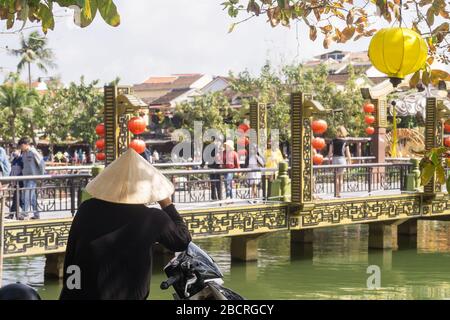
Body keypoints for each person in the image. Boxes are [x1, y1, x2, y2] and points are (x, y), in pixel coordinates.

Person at [59, 149, 191, 300]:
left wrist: (69, 292)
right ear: (146, 189)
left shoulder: (87, 208)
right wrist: (167, 204)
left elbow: (71, 256)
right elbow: (182, 241)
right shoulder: (152, 218)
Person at [18, 137, 45, 220]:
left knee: (27, 195)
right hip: (25, 177)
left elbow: (42, 164)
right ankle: (36, 214)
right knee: (32, 197)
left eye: (21, 146)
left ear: (26, 145)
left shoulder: (33, 152)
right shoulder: (24, 153)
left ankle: (25, 214)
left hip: (33, 178)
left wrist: (41, 177)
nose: (20, 147)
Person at [327, 126, 352, 198]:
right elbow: (348, 153)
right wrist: (349, 161)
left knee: (336, 177)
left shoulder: (333, 141)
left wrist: (329, 161)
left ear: (337, 132)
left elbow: (330, 152)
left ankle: (336, 192)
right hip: (342, 160)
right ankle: (339, 193)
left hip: (335, 159)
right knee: (341, 177)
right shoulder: (345, 141)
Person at [9, 149, 24, 217]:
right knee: (18, 199)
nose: (14, 152)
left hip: (20, 181)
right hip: (15, 181)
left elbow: (23, 170)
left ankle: (13, 214)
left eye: (15, 151)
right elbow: (12, 170)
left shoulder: (21, 159)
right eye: (13, 151)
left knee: (16, 197)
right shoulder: (14, 160)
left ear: (19, 151)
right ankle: (22, 213)